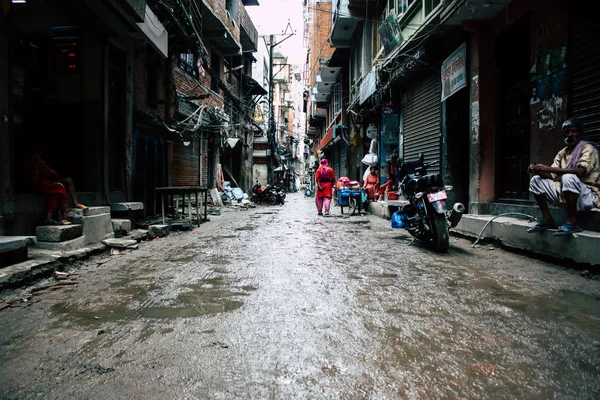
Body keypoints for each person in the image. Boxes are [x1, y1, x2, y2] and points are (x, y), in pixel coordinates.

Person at [528, 117, 599, 235]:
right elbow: (551, 175)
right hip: (567, 192)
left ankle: (572, 222)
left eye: (574, 131)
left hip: (588, 196)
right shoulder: (562, 153)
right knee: (535, 180)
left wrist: (549, 168)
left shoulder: (588, 148)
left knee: (568, 176)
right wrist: (537, 170)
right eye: (567, 132)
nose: (570, 134)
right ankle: (548, 219)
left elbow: (581, 172)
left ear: (580, 133)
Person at [23, 148, 88, 225]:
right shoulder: (34, 158)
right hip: (36, 183)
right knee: (59, 186)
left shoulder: (39, 158)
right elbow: (50, 172)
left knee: (55, 193)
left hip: (42, 182)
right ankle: (66, 211)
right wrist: (57, 177)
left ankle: (49, 218)